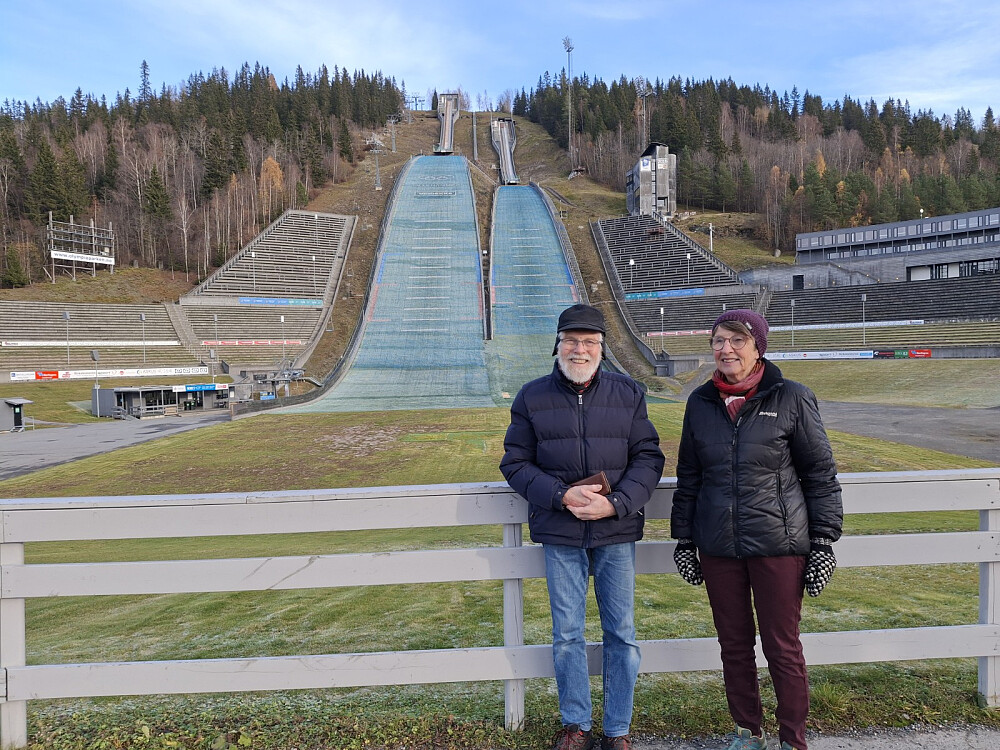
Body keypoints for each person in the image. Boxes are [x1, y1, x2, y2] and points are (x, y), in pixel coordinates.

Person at [670, 309, 842, 750]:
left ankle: (792, 739)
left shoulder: (792, 397)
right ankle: (747, 733)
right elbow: (689, 475)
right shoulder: (700, 402)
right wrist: (684, 539)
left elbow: (819, 474)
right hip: (718, 544)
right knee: (734, 646)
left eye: (737, 340)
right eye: (718, 340)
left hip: (779, 544)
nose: (725, 349)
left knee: (782, 647)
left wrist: (823, 541)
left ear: (757, 346)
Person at [500, 303, 665, 750]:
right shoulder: (532, 396)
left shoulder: (628, 393)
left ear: (602, 349)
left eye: (589, 342)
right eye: (571, 341)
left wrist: (616, 505)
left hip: (615, 534)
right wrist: (561, 495)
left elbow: (648, 458)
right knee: (567, 635)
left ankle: (617, 731)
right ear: (557, 345)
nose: (580, 350)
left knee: (621, 634)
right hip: (561, 532)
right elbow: (515, 462)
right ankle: (577, 725)